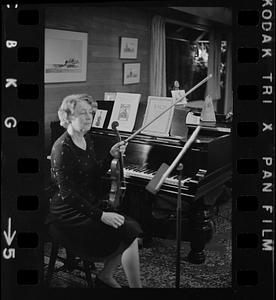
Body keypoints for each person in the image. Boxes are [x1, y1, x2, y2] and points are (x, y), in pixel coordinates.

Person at [47, 94, 143, 288]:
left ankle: (106, 275)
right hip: (68, 212)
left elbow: (94, 172)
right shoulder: (61, 148)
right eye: (83, 113)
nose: (89, 117)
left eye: (90, 113)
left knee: (131, 229)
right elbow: (68, 195)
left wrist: (110, 155)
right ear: (67, 116)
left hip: (87, 203)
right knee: (128, 231)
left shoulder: (85, 138)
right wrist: (101, 216)